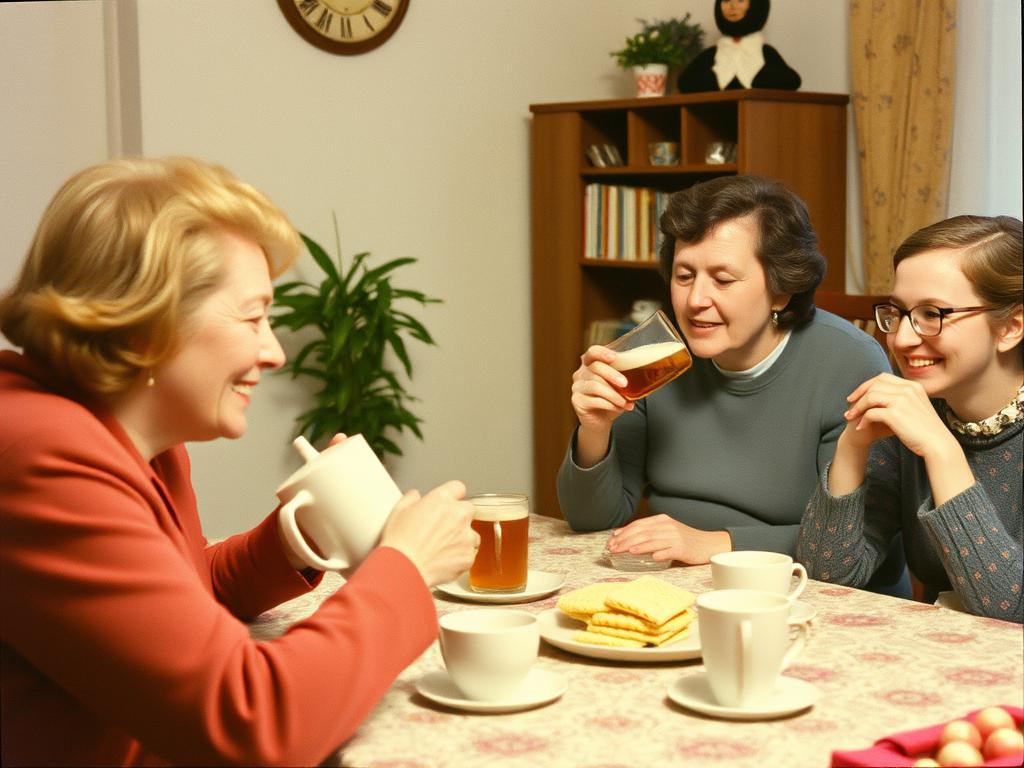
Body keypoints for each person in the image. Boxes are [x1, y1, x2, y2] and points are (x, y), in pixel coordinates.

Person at [0, 156, 479, 766]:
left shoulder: (136, 434)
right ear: (147, 324)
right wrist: (404, 569)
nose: (274, 352)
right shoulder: (44, 460)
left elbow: (178, 607)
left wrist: (295, 541)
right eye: (252, 317)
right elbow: (254, 722)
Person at [557, 175, 906, 590]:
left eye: (723, 280)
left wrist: (715, 543)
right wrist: (594, 429)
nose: (695, 300)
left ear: (782, 291)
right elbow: (592, 519)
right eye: (684, 276)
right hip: (684, 582)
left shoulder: (847, 360)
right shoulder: (656, 357)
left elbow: (853, 541)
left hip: (808, 592)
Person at [797, 216, 1023, 623]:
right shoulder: (915, 412)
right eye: (898, 313)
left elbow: (1009, 613)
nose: (901, 338)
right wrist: (854, 442)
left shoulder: (926, 427)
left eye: (932, 313)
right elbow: (826, 577)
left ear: (1011, 327)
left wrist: (941, 450)